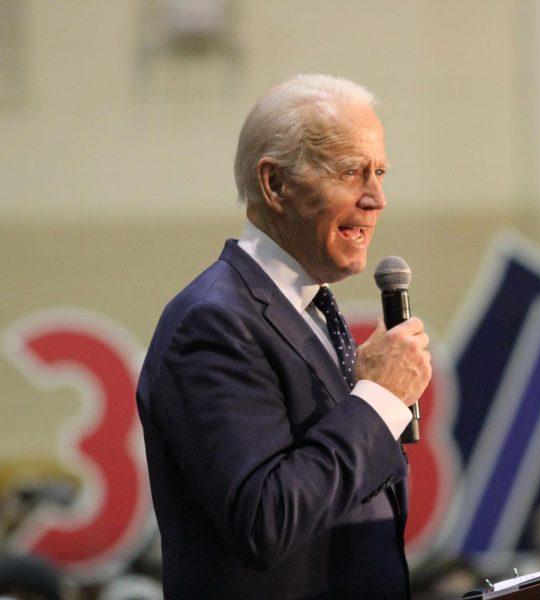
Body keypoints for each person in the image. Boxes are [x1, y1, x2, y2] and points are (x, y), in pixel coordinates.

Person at [136, 74, 432, 599]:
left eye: (380, 172)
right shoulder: (212, 323)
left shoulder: (308, 308)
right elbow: (264, 519)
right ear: (274, 184)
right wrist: (380, 399)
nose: (376, 198)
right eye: (351, 172)